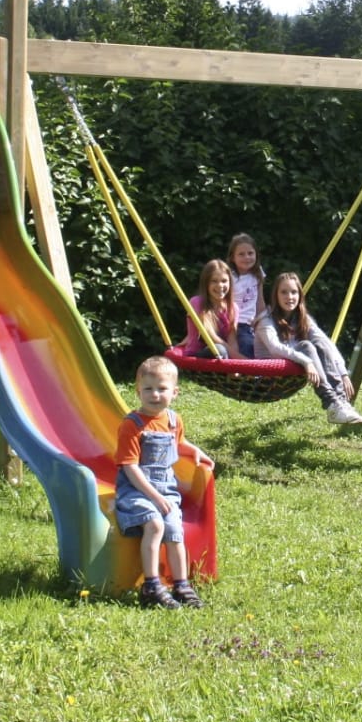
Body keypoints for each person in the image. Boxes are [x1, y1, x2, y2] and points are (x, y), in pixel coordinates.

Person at [112, 355, 213, 609]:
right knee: (155, 525)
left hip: (166, 490)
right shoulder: (132, 425)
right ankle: (151, 586)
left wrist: (195, 451)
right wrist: (154, 497)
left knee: (174, 531)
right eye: (148, 389)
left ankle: (181, 585)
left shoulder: (173, 420)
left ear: (175, 392)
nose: (155, 394)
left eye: (162, 389)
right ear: (138, 392)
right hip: (136, 491)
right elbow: (129, 467)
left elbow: (178, 444)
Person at [253, 271, 362, 426]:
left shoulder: (302, 319)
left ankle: (340, 402)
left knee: (318, 343)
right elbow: (274, 348)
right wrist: (306, 361)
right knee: (306, 345)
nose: (289, 297)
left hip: (295, 367)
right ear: (275, 296)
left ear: (300, 295)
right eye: (284, 292)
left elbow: (325, 343)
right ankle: (332, 403)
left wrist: (343, 373)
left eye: (294, 292)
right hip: (270, 376)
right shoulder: (266, 320)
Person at [175, 259, 242, 360]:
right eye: (214, 281)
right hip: (197, 356)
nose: (220, 285)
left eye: (224, 281)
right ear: (206, 284)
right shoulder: (197, 302)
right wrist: (241, 359)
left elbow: (232, 340)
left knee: (244, 343)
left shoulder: (233, 308)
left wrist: (237, 362)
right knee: (219, 349)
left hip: (221, 357)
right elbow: (211, 337)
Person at [227, 233, 266, 359]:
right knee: (247, 344)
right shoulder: (230, 277)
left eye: (250, 253)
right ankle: (246, 369)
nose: (247, 257)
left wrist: (262, 320)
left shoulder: (258, 273)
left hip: (252, 323)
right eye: (241, 254)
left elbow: (260, 300)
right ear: (232, 257)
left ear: (256, 254)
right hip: (237, 323)